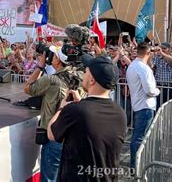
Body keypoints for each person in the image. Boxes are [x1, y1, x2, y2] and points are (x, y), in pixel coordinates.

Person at [48, 56, 127, 181]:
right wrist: (81, 103)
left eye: (85, 72)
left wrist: (62, 108)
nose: (83, 75)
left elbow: (51, 134)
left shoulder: (75, 110)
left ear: (92, 80)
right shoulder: (120, 114)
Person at [24, 45, 83, 182]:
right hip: (73, 135)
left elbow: (28, 87)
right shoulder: (80, 76)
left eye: (53, 55)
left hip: (55, 136)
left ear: (57, 60)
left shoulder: (51, 80)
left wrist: (40, 66)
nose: (51, 57)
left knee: (49, 178)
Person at [126, 42, 160, 168]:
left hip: (139, 105)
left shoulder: (133, 65)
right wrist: (158, 91)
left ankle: (135, 165)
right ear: (148, 53)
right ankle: (136, 167)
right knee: (139, 138)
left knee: (137, 137)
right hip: (145, 106)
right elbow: (150, 90)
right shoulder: (143, 68)